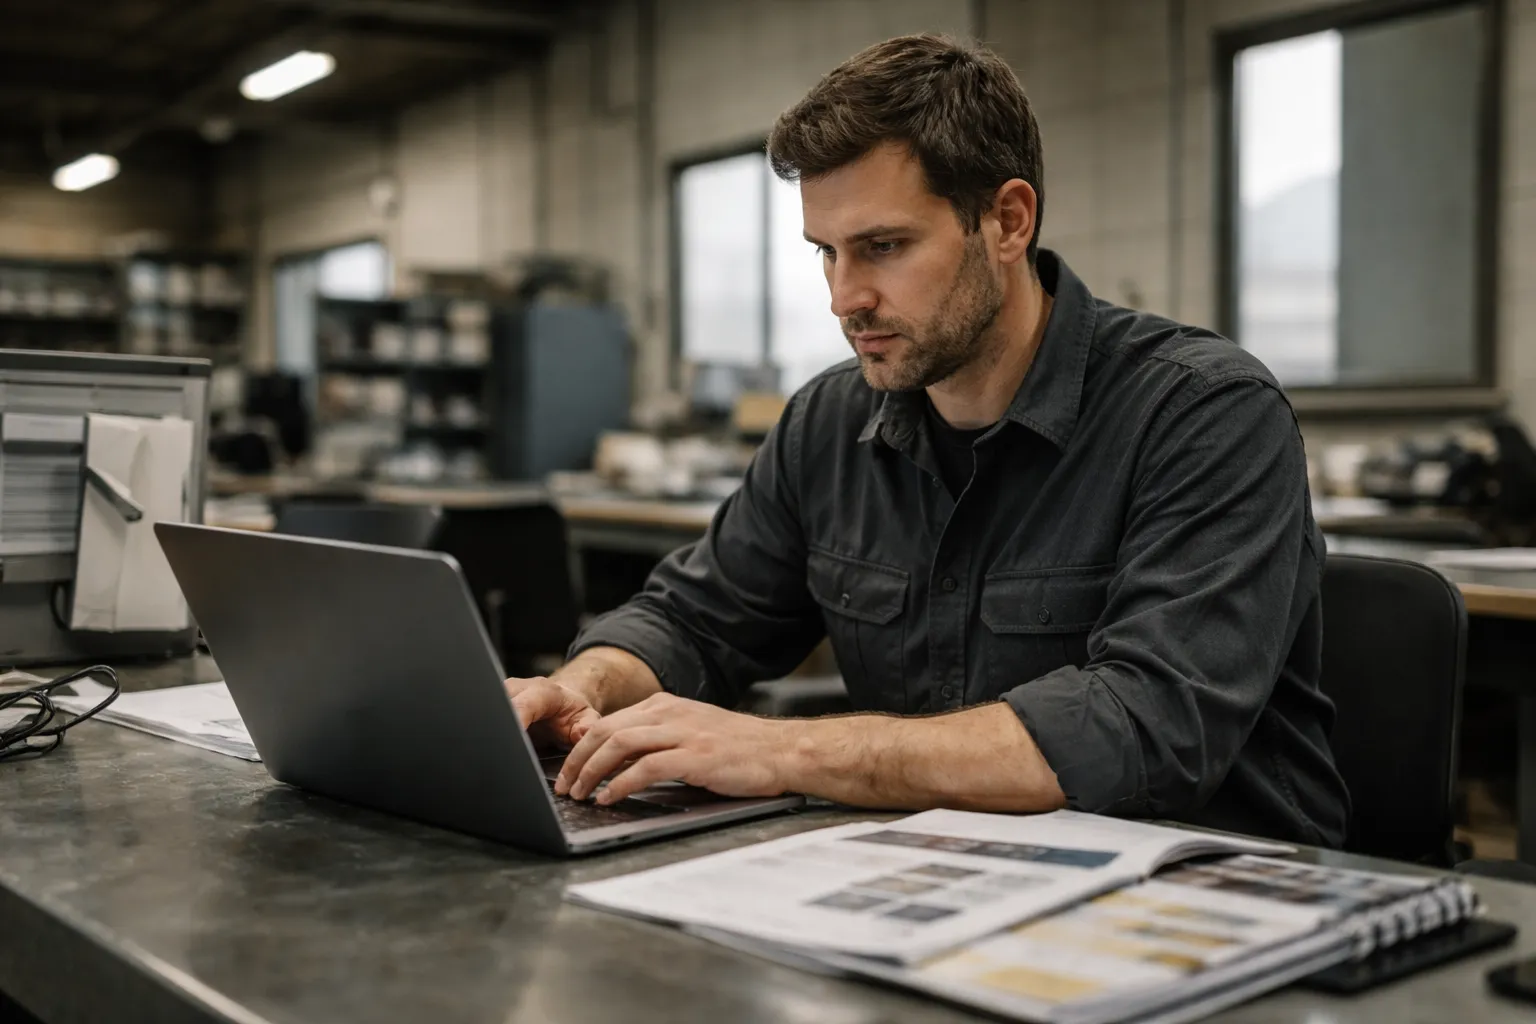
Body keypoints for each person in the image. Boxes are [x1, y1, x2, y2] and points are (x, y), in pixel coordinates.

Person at [507, 33, 1349, 846]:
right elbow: (694, 620)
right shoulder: (828, 425)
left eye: (883, 247)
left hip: (1209, 896)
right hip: (949, 877)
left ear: (1008, 222)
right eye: (825, 254)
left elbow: (1142, 728)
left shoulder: (1203, 413)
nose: (844, 297)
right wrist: (580, 688)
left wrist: (784, 751)